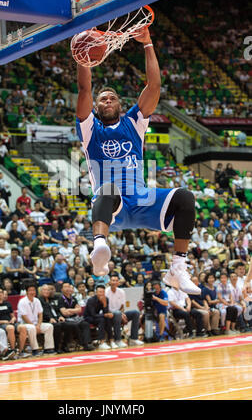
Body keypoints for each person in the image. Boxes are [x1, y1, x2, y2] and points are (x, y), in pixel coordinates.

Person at [75, 27, 199, 295]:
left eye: (111, 98)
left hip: (142, 200)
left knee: (185, 197)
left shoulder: (134, 121)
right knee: (107, 189)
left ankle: (178, 267)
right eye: (102, 100)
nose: (107, 101)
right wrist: (84, 58)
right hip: (112, 208)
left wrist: (148, 43)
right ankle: (99, 246)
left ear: (119, 104)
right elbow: (84, 89)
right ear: (97, 108)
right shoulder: (89, 130)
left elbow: (154, 86)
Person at [0, 286, 30, 358]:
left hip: (10, 323)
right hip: (0, 325)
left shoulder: (7, 304)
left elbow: (13, 316)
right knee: (10, 328)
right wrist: (2, 321)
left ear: (3, 294)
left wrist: (13, 319)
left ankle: (21, 351)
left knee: (23, 327)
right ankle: (13, 351)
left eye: (0, 292)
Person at [105, 274, 143, 347]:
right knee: (117, 313)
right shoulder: (106, 292)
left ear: (118, 282)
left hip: (120, 313)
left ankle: (133, 339)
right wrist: (119, 314)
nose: (114, 282)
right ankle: (118, 340)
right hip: (110, 316)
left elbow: (122, 306)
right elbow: (106, 308)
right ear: (109, 282)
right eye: (113, 280)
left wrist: (122, 314)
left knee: (136, 313)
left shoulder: (121, 291)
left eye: (116, 281)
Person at [17, 284, 55, 356]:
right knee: (32, 328)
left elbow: (40, 314)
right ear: (27, 292)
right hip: (25, 324)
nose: (32, 292)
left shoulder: (37, 300)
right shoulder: (22, 301)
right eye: (30, 290)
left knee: (49, 326)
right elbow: (24, 316)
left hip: (36, 323)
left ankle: (48, 349)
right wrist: (34, 326)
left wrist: (38, 325)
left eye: (33, 290)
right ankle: (35, 350)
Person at [58, 282, 94, 351]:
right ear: (62, 289)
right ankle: (82, 344)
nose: (67, 288)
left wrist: (69, 310)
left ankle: (87, 343)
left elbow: (79, 310)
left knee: (85, 324)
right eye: (65, 287)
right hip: (66, 319)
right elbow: (64, 313)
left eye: (68, 286)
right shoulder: (61, 299)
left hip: (75, 318)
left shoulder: (73, 298)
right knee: (75, 325)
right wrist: (74, 310)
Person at [38, 284, 69, 354]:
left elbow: (56, 310)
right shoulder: (39, 300)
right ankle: (56, 347)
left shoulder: (51, 299)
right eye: (45, 290)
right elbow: (42, 312)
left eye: (48, 290)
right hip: (45, 320)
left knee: (68, 325)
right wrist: (50, 318)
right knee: (57, 326)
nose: (47, 291)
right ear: (41, 291)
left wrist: (60, 316)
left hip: (55, 319)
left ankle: (64, 346)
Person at [84, 284, 116, 350]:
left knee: (107, 318)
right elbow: (93, 314)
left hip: (98, 317)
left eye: (103, 292)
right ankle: (102, 342)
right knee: (102, 319)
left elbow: (105, 312)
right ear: (96, 292)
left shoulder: (106, 299)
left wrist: (104, 304)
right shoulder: (91, 300)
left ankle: (111, 340)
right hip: (88, 318)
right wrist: (105, 315)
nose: (102, 294)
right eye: (100, 292)